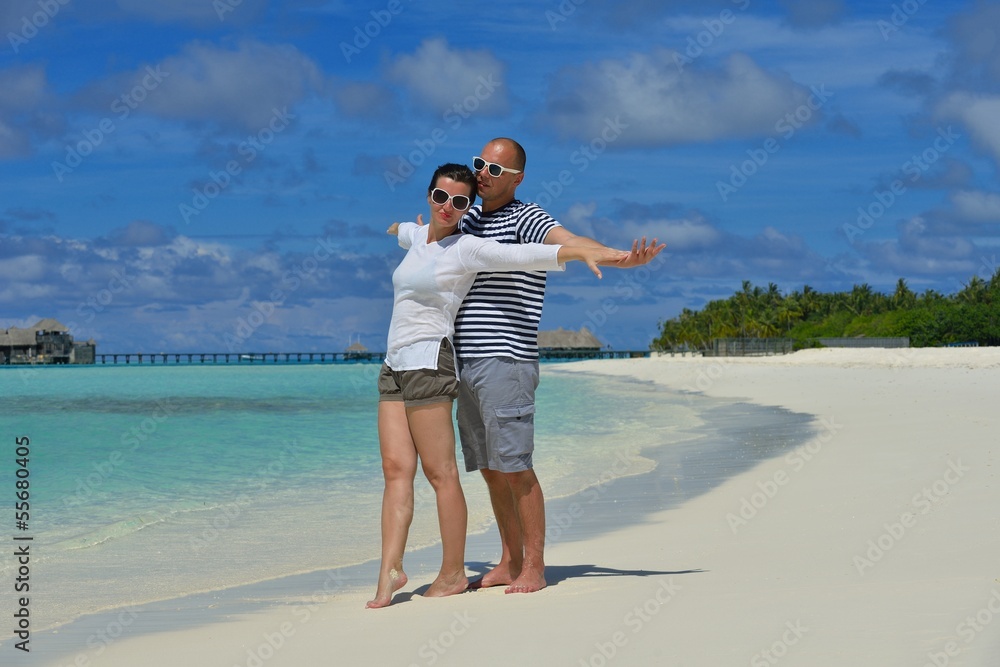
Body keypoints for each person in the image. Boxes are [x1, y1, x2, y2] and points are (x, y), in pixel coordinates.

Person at [368, 163, 629, 608]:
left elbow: (528, 255)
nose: (448, 207)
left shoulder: (467, 246)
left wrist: (595, 253)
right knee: (395, 472)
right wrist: (398, 226)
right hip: (393, 363)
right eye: (440, 197)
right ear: (429, 196)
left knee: (441, 473)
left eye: (459, 201)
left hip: (432, 361)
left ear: (468, 206)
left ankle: (453, 573)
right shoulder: (418, 237)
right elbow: (404, 231)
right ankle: (388, 572)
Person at [455, 138, 665, 594]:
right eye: (479, 164)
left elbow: (567, 241)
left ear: (517, 178)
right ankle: (509, 559)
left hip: (505, 360)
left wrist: (616, 256)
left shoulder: (525, 218)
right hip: (463, 361)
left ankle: (535, 566)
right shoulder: (467, 217)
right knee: (490, 468)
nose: (484, 173)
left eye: (495, 168)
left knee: (515, 467)